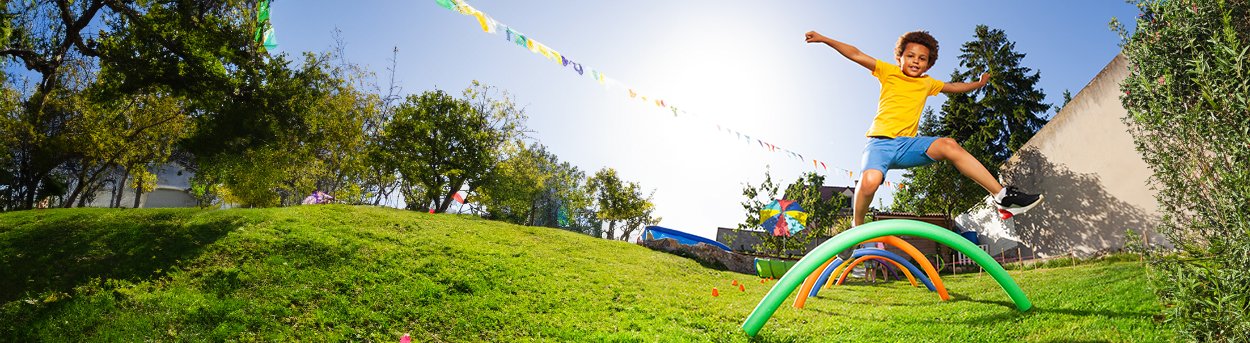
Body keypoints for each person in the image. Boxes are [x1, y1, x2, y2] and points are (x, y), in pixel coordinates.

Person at [804, 30, 1043, 225]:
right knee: (870, 181)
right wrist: (825, 39)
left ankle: (1001, 196)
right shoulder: (888, 72)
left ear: (928, 65)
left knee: (949, 145)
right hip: (879, 143)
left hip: (908, 145)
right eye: (911, 56)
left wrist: (978, 84)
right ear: (900, 58)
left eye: (922, 58)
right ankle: (857, 227)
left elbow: (954, 87)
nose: (916, 61)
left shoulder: (928, 83)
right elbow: (856, 54)